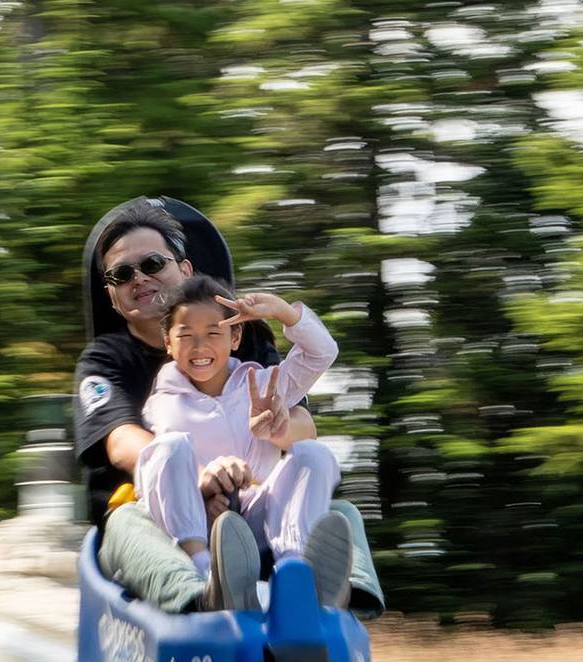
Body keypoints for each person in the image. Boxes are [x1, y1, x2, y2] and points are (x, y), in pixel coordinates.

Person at [72, 198, 385, 614]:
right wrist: (196, 478)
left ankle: (330, 604)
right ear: (111, 295)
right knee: (126, 524)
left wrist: (275, 431)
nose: (139, 279)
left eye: (152, 264)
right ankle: (204, 596)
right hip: (158, 515)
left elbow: (302, 424)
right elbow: (120, 441)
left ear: (185, 271)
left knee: (338, 511)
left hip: (255, 503)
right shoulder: (106, 359)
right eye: (122, 274)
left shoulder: (247, 341)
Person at [136, 274, 352, 610]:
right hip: (202, 522)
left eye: (213, 333)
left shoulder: (264, 384)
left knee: (314, 454)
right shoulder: (162, 403)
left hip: (261, 517)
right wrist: (204, 486)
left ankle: (295, 571)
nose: (199, 347)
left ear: (235, 336)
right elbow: (162, 478)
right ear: (168, 342)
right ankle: (206, 572)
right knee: (167, 448)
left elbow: (322, 352)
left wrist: (282, 312)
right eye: (186, 336)